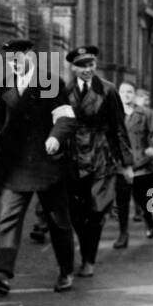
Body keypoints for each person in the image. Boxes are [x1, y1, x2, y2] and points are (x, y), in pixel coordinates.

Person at [0, 38, 77, 294]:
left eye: (18, 59)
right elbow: (2, 122)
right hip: (15, 166)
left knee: (58, 222)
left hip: (46, 164)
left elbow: (65, 116)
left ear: (30, 56)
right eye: (10, 60)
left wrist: (55, 137)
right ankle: (1, 274)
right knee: (8, 220)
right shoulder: (5, 85)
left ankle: (66, 270)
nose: (14, 64)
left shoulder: (48, 81)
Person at [64, 46, 134, 276]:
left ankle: (89, 260)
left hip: (100, 155)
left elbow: (118, 127)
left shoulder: (108, 90)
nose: (87, 69)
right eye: (82, 65)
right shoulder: (65, 90)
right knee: (75, 213)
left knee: (96, 211)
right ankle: (85, 251)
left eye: (91, 64)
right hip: (73, 158)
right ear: (73, 68)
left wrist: (126, 163)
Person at [115, 82, 153, 245]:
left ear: (134, 95)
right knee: (122, 201)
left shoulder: (147, 113)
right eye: (122, 92)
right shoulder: (114, 114)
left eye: (129, 92)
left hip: (143, 163)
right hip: (122, 164)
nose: (126, 95)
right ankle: (123, 234)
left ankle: (150, 221)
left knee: (146, 198)